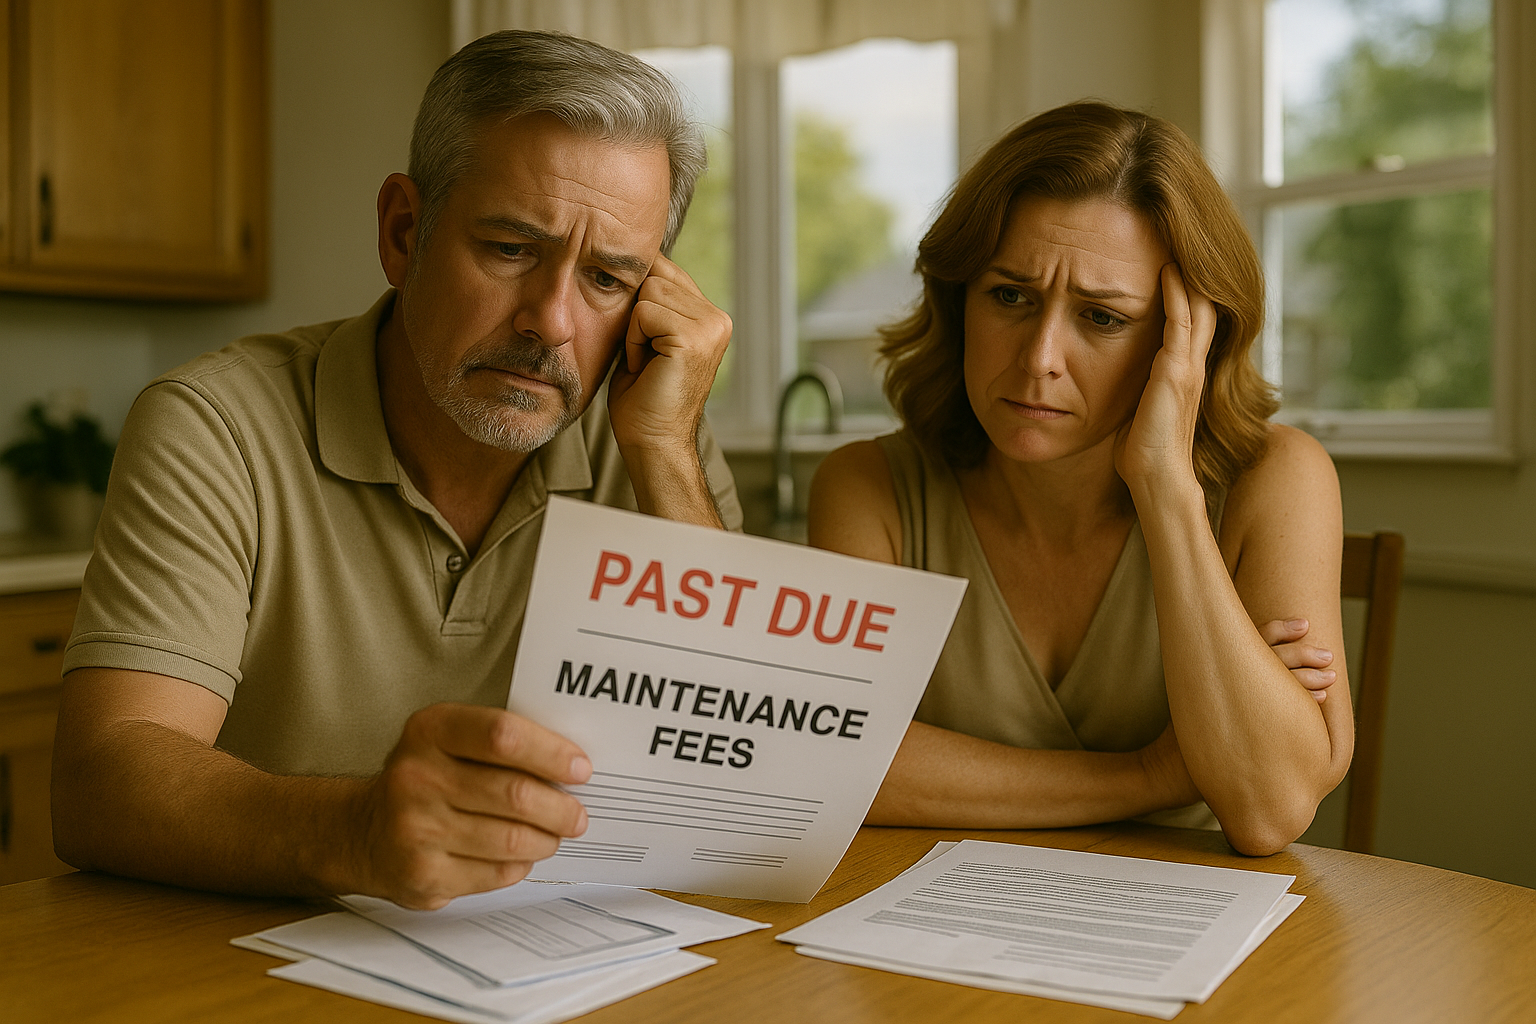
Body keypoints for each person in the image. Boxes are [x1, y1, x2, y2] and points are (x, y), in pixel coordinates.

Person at [51, 31, 740, 908]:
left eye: (607, 277)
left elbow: (741, 769)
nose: (552, 322)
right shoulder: (215, 426)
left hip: (568, 956)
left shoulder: (652, 434)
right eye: (510, 249)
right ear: (403, 231)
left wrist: (666, 452)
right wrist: (355, 832)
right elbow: (100, 781)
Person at [809, 102, 1353, 856]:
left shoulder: (1279, 480)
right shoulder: (868, 487)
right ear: (957, 296)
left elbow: (1268, 811)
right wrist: (1152, 775)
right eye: (1010, 296)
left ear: (1183, 339)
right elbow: (825, 764)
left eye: (1101, 318)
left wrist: (1167, 490)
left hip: (1210, 945)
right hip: (925, 926)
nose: (1039, 358)